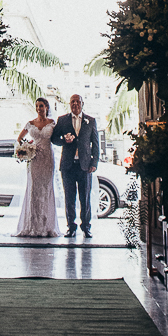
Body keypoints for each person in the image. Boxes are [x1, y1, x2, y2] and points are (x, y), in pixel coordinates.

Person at [51, 92, 99, 237]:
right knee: (69, 198)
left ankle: (86, 227)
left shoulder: (91, 121)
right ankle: (71, 227)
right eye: (72, 101)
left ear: (82, 104)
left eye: (78, 101)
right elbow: (54, 138)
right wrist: (64, 141)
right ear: (69, 104)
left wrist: (94, 162)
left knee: (85, 198)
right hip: (68, 165)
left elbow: (95, 144)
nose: (75, 104)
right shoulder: (62, 120)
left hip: (85, 166)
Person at [13, 97, 61, 237]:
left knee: (46, 189)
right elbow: (19, 138)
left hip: (47, 159)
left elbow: (57, 138)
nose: (39, 108)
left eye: (41, 106)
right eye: (37, 106)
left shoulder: (52, 123)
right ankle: (32, 225)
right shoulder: (30, 123)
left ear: (46, 107)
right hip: (34, 159)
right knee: (33, 189)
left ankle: (47, 226)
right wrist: (25, 148)